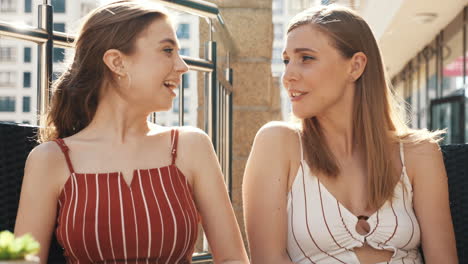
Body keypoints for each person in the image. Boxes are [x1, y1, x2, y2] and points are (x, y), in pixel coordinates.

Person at [14, 1, 249, 263]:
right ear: (117, 62)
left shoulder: (191, 146)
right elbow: (21, 260)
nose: (183, 66)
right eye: (167, 50)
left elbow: (233, 259)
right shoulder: (50, 159)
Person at [243, 4, 457, 264]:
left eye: (306, 58)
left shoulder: (419, 152)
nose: (288, 76)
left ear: (355, 66)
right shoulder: (278, 143)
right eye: (286, 61)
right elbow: (268, 259)